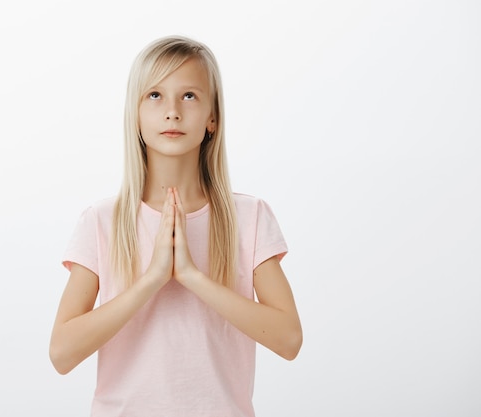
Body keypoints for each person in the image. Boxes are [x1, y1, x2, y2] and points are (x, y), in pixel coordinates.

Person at [49, 35, 302, 417]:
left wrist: (191, 276)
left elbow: (289, 340)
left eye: (189, 96)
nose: (172, 112)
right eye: (154, 95)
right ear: (135, 115)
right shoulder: (102, 221)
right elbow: (62, 353)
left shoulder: (249, 218)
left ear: (212, 117)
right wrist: (152, 279)